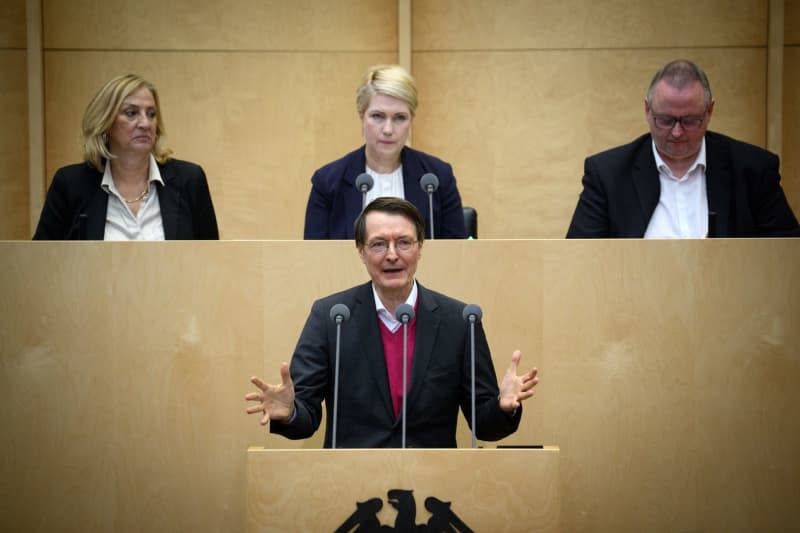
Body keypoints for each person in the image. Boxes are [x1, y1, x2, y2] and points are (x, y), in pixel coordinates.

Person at [247, 197, 538, 448]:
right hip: (351, 484)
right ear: (360, 251)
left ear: (420, 247)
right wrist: (290, 412)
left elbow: (484, 425)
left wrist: (503, 408)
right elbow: (306, 417)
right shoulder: (331, 317)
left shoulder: (459, 322)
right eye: (378, 244)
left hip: (435, 484)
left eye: (403, 242)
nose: (392, 254)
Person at [566, 59, 800, 238]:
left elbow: (786, 257)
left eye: (690, 121)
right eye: (665, 120)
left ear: (709, 112)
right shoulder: (607, 174)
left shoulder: (753, 170)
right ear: (647, 110)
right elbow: (580, 259)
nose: (677, 133)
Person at [33, 74, 219, 240]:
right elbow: (42, 263)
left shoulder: (189, 179)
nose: (145, 123)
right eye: (131, 113)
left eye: (151, 114)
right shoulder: (71, 184)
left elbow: (210, 261)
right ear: (106, 123)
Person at [303, 64, 467, 240]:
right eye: (378, 116)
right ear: (361, 117)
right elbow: (314, 259)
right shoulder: (328, 182)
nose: (388, 129)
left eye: (399, 118)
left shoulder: (437, 178)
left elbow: (457, 257)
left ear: (411, 120)